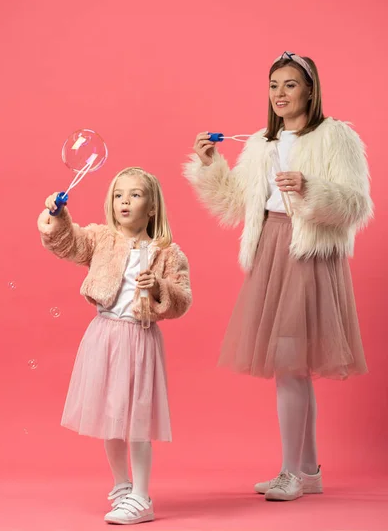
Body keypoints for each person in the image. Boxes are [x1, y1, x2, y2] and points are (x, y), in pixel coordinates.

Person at [183, 51, 373, 501]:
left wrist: (311, 189)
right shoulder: (261, 145)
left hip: (306, 252)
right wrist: (210, 165)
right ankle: (305, 471)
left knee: (291, 367)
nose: (280, 94)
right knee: (292, 369)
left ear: (310, 89)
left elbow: (355, 204)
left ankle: (294, 472)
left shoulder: (336, 136)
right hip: (272, 248)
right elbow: (236, 204)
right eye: (273, 86)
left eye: (290, 85)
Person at [38, 167, 192, 524]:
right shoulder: (101, 239)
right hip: (104, 336)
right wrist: (57, 216)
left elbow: (182, 299)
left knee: (137, 420)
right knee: (110, 418)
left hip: (139, 339)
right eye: (119, 195)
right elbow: (68, 242)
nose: (125, 201)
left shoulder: (167, 252)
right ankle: (122, 485)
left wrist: (158, 288)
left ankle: (142, 496)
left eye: (135, 195)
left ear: (152, 207)